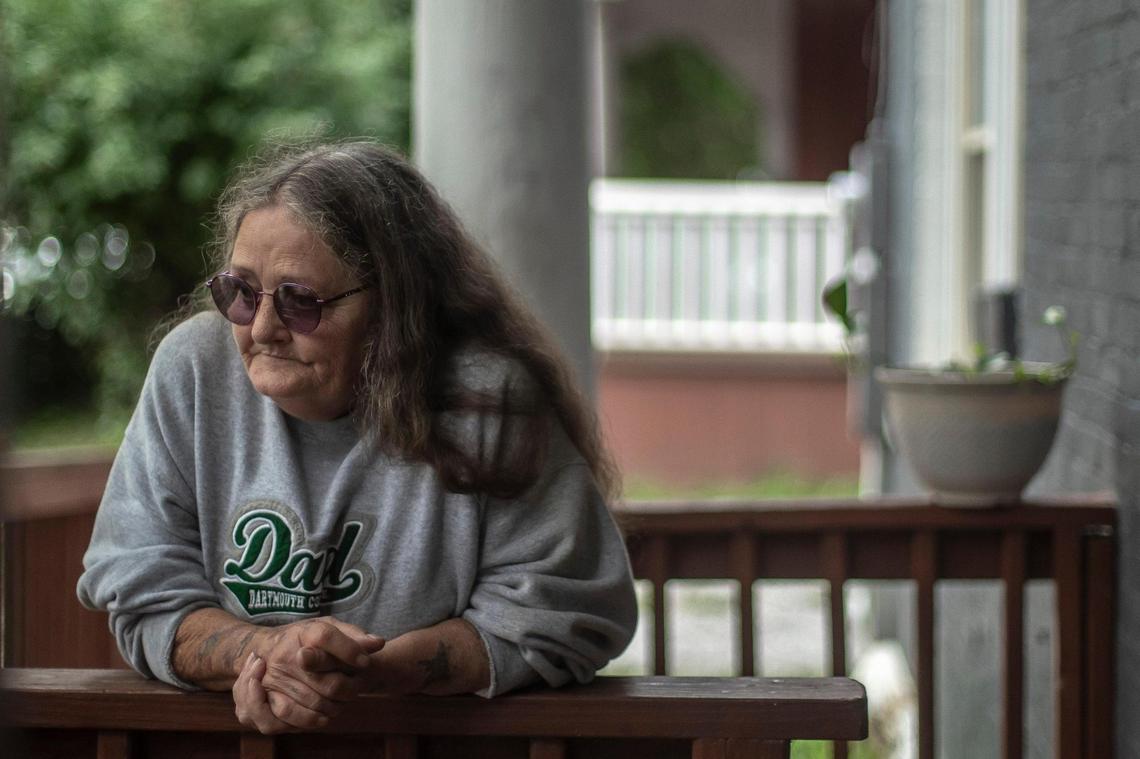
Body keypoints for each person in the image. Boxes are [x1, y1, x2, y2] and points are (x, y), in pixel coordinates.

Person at [77, 140, 638, 735]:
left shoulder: (485, 399)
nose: (262, 328)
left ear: (396, 307)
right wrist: (265, 653)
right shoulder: (193, 367)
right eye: (240, 292)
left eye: (300, 302)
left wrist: (368, 673)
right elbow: (141, 589)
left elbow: (562, 610)